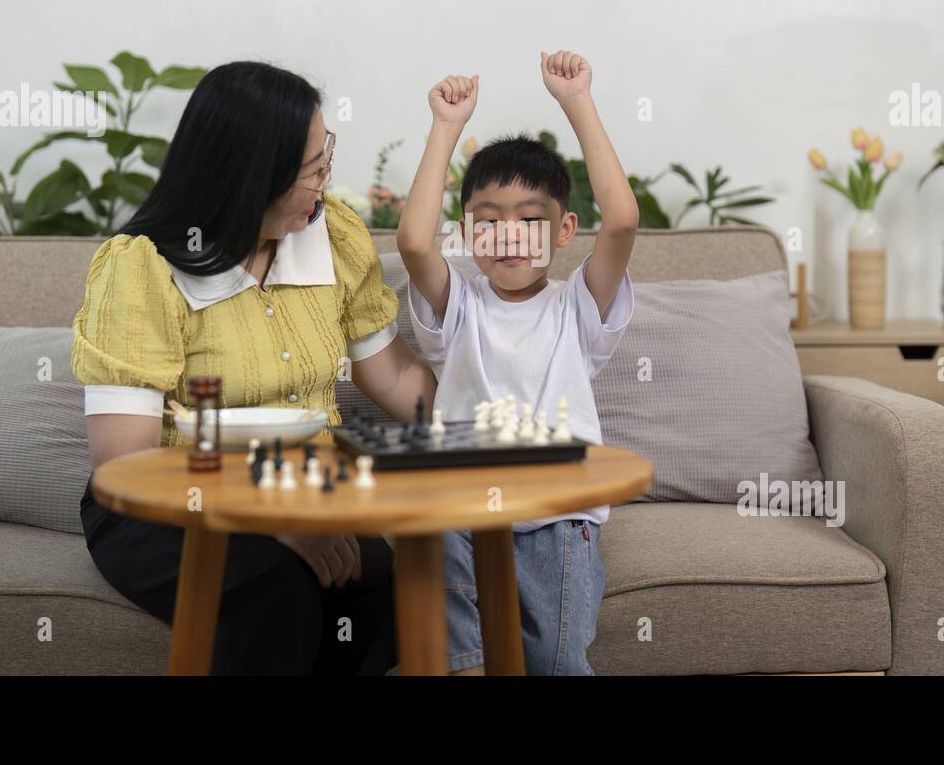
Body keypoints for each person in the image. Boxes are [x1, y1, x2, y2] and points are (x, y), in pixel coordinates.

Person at [72, 60, 436, 675]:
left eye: (328, 156)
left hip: (300, 490)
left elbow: (394, 376)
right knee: (277, 591)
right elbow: (123, 464)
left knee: (386, 589)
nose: (327, 179)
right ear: (251, 178)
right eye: (313, 169)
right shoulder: (144, 269)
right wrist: (274, 527)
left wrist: (487, 420)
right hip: (159, 503)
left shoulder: (334, 237)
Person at [395, 50, 639, 674]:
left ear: (563, 232)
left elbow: (623, 221)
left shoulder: (577, 308)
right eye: (488, 220)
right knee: (452, 648)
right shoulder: (458, 306)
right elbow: (416, 242)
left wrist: (577, 101)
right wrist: (446, 127)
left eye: (531, 220)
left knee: (552, 664)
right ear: (470, 232)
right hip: (462, 512)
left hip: (558, 519)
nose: (508, 234)